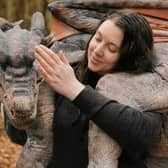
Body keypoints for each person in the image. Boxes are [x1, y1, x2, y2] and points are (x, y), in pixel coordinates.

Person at [5, 10, 163, 168]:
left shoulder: (145, 87)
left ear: (129, 56)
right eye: (98, 38)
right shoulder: (62, 70)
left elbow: (145, 137)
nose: (98, 50)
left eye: (111, 48)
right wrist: (19, 103)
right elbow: (20, 136)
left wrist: (75, 91)